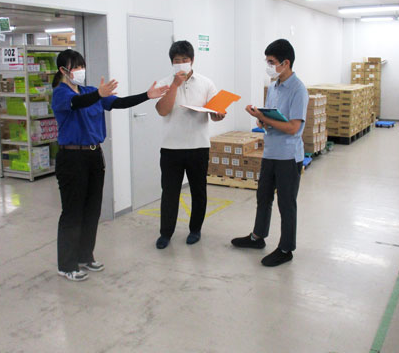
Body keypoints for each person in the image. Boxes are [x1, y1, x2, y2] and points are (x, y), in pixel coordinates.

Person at [52, 49, 169, 281]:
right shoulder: (61, 94)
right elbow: (77, 103)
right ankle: (66, 265)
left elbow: (119, 103)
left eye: (81, 66)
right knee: (73, 212)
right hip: (72, 158)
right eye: (75, 67)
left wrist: (147, 95)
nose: (80, 70)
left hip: (94, 155)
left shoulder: (90, 91)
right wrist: (99, 94)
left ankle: (85, 256)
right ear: (63, 70)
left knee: (92, 209)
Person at [231, 39, 308, 267]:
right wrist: (261, 119)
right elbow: (272, 119)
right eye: (267, 62)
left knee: (286, 204)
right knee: (263, 198)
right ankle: (258, 237)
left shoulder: (298, 90)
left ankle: (286, 249)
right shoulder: (274, 87)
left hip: (288, 156)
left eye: (272, 62)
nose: (269, 66)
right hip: (270, 153)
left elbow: (293, 127)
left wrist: (264, 118)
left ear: (286, 63)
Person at [154, 40, 225, 249]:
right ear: (172, 62)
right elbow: (163, 110)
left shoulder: (206, 83)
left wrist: (218, 115)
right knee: (169, 193)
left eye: (185, 59)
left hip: (198, 147)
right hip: (171, 148)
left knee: (198, 191)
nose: (181, 63)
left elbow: (215, 113)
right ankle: (166, 233)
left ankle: (195, 230)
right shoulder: (163, 83)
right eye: (177, 60)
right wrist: (175, 85)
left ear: (192, 60)